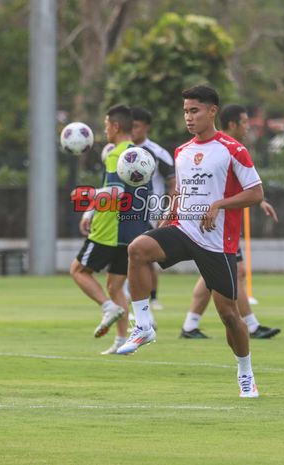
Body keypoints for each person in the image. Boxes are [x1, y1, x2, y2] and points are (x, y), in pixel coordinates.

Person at [117, 85, 264, 398]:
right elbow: (182, 192)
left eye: (194, 110)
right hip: (184, 230)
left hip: (216, 242)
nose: (188, 117)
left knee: (229, 315)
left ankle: (245, 372)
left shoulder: (232, 149)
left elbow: (256, 193)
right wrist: (168, 215)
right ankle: (143, 325)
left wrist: (219, 205)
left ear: (212, 111)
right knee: (138, 249)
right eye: (185, 111)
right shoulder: (181, 151)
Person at [179, 103, 281, 340]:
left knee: (222, 274)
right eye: (244, 122)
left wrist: (260, 201)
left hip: (224, 224)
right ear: (233, 124)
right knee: (231, 272)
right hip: (215, 226)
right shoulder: (219, 149)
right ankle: (250, 326)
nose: (247, 127)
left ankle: (191, 324)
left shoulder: (233, 149)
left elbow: (246, 187)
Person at [69, 104, 153, 354]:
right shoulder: (139, 154)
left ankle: (108, 308)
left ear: (115, 126)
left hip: (110, 228)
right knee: (116, 285)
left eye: (106, 125)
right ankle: (120, 341)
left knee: (78, 270)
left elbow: (114, 193)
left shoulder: (117, 155)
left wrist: (90, 202)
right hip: (133, 230)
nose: (105, 129)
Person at [129, 106, 176, 312]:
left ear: (146, 127)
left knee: (146, 258)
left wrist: (166, 213)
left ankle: (152, 298)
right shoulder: (123, 151)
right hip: (126, 212)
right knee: (129, 256)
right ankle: (131, 299)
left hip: (151, 213)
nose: (133, 130)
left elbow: (174, 184)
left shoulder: (157, 153)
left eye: (137, 126)